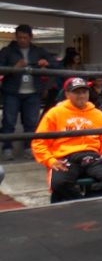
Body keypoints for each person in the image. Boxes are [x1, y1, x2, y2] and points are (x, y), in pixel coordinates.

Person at [32, 77, 102, 202]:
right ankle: (84, 203)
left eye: (84, 92)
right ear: (67, 94)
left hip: (92, 158)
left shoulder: (97, 114)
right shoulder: (54, 113)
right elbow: (39, 142)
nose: (82, 96)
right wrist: (51, 160)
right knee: (58, 184)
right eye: (77, 92)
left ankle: (86, 201)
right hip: (66, 159)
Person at [1, 24, 60, 160]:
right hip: (11, 92)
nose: (22, 40)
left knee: (31, 123)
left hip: (33, 93)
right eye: (19, 37)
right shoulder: (7, 51)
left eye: (25, 38)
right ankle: (7, 148)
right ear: (16, 37)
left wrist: (47, 63)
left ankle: (30, 147)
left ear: (31, 37)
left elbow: (57, 64)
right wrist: (14, 67)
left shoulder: (38, 51)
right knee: (9, 122)